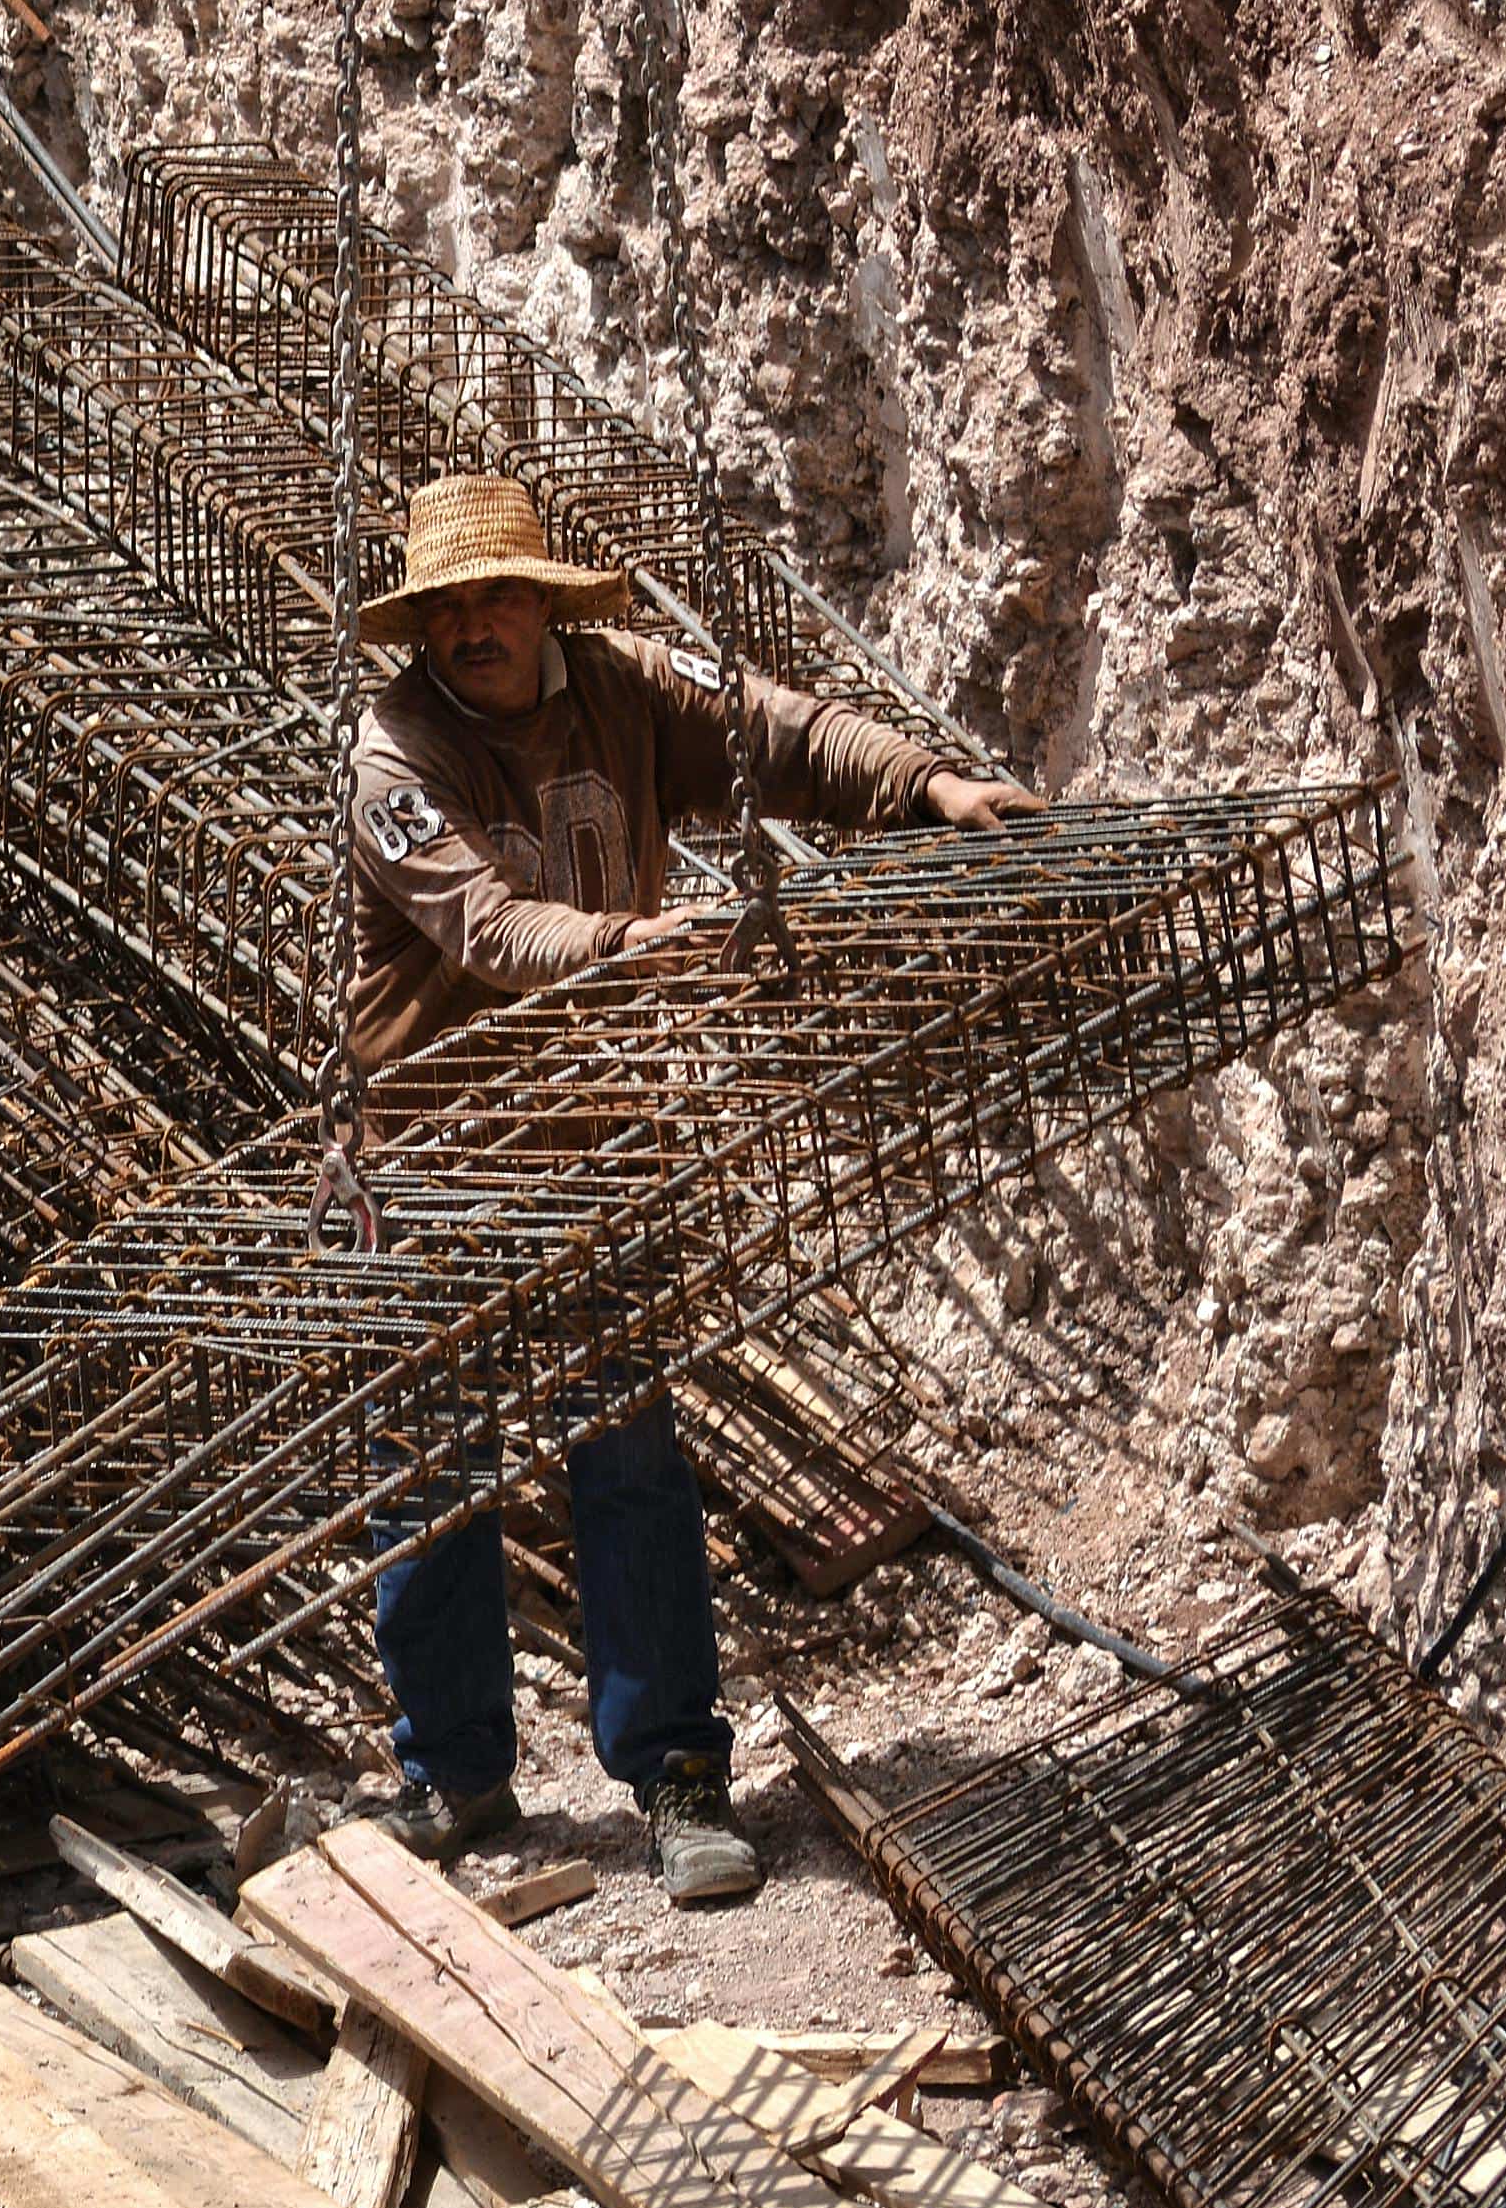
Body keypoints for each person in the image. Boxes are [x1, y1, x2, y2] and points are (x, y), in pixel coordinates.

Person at [342, 473, 1044, 1904]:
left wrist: (925, 782)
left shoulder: (623, 687)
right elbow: (483, 920)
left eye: (495, 597)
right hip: (432, 1153)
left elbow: (769, 726)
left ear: (543, 602)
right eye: (447, 609)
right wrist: (623, 948)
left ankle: (672, 1771)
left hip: (598, 1133)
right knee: (429, 1473)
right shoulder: (392, 748)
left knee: (630, 1456)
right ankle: (456, 1771)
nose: (474, 627)